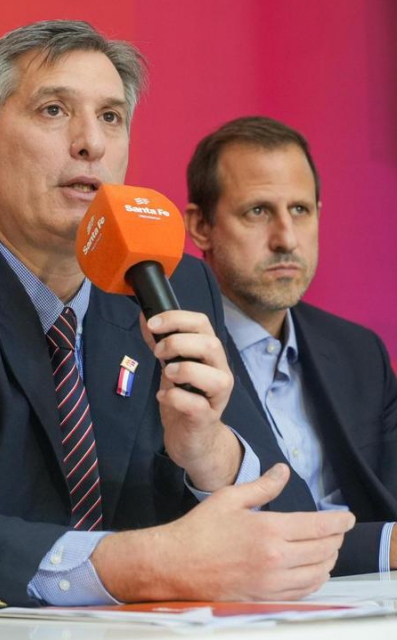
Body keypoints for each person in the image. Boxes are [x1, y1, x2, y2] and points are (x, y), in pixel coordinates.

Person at [0, 20, 355, 608]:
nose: (91, 144)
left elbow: (295, 528)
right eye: (54, 110)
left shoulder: (169, 281)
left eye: (111, 117)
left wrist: (208, 451)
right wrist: (156, 564)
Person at [185, 115, 397, 576]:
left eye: (300, 210)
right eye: (258, 212)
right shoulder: (165, 349)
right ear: (201, 226)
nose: (285, 239)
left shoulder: (361, 353)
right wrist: (383, 546)